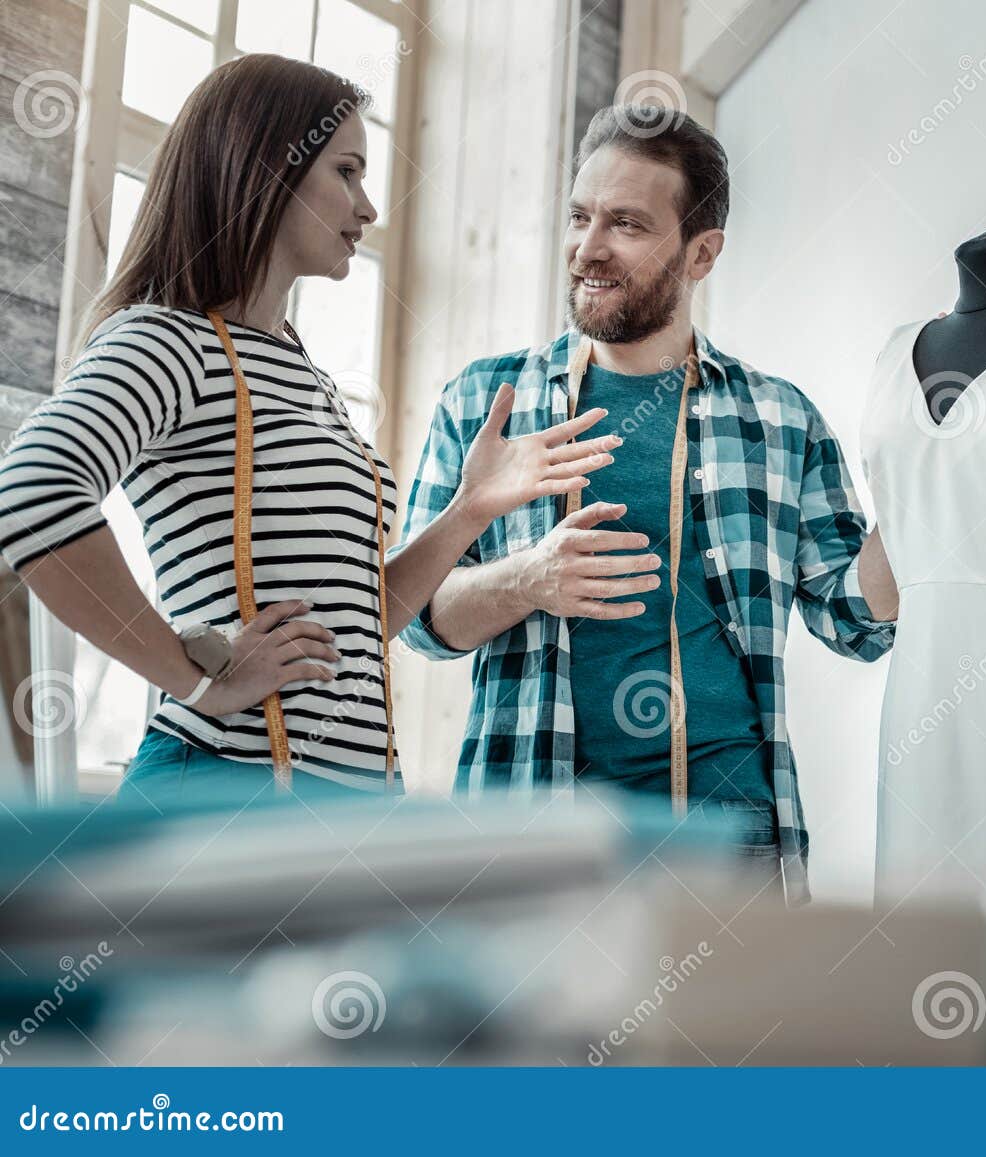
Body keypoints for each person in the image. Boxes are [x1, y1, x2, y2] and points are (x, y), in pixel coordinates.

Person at [0, 55, 617, 800]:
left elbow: (360, 619)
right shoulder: (169, 341)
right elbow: (31, 493)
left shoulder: (302, 375)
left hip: (342, 804)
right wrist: (192, 683)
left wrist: (469, 510)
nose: (368, 208)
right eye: (347, 172)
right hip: (228, 791)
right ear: (267, 170)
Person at [397, 104, 899, 903]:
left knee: (734, 1034)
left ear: (701, 253)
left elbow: (857, 623)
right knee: (529, 1036)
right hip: (531, 824)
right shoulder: (485, 401)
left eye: (626, 224)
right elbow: (416, 619)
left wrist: (917, 484)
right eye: (579, 217)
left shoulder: (781, 417)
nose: (588, 250)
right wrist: (526, 579)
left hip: (728, 835)